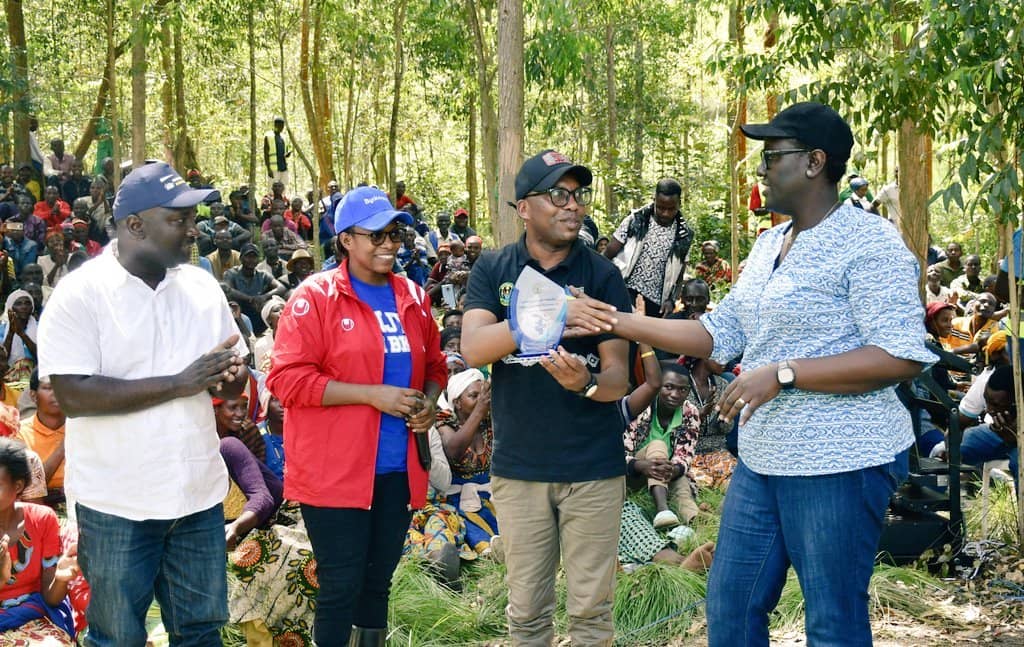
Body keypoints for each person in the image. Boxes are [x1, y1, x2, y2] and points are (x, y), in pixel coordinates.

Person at [572, 103, 934, 646]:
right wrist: (620, 318)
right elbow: (717, 333)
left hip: (839, 461)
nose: (761, 170)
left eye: (772, 157)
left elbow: (900, 355)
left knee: (833, 622)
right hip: (764, 460)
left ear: (815, 163)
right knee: (731, 607)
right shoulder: (769, 245)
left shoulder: (872, 243)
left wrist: (785, 374)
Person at [38, 161, 248, 645]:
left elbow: (229, 377)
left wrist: (231, 380)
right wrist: (178, 382)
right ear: (135, 226)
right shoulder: (81, 295)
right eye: (178, 220)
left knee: (200, 632)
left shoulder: (199, 285)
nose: (194, 230)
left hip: (195, 494)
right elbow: (72, 394)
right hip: (117, 503)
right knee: (117, 637)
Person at [461, 149, 631, 646]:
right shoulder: (493, 269)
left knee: (591, 615)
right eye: (558, 194)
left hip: (593, 470)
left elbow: (618, 375)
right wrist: (551, 316)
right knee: (528, 614)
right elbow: (473, 348)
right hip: (520, 472)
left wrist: (589, 384)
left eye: (578, 195)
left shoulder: (602, 275)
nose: (572, 206)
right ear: (525, 208)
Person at [266, 185, 446, 645]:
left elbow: (435, 367)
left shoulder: (412, 295)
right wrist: (372, 395)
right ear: (346, 239)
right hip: (335, 473)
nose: (389, 245)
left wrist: (426, 401)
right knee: (340, 585)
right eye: (376, 236)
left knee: (376, 582)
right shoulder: (316, 298)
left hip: (398, 468)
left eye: (395, 236)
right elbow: (287, 380)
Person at [0, 438, 79, 643]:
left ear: (17, 486)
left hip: (34, 613)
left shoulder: (42, 519)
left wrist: (61, 578)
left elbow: (50, 598)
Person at [621, 349, 701, 530]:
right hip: (631, 475)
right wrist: (641, 466)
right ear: (658, 387)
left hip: (665, 472)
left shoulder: (690, 413)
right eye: (669, 387)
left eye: (682, 390)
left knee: (681, 481)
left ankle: (691, 524)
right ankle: (662, 510)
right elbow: (618, 453)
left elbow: (684, 455)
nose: (675, 394)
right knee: (657, 446)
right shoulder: (640, 404)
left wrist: (674, 469)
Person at [603, 178, 695, 316]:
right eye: (661, 207)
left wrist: (671, 300)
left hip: (657, 304)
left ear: (679, 204)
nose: (665, 213)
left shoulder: (683, 235)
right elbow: (609, 252)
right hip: (624, 291)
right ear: (654, 200)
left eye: (671, 209)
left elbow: (680, 274)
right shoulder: (636, 220)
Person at [435, 369, 499, 558]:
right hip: (459, 497)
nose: (481, 400)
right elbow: (454, 452)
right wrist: (480, 409)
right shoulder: (446, 424)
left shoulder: (491, 422)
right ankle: (486, 548)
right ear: (457, 403)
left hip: (491, 492)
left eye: (483, 395)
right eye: (473, 396)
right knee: (467, 523)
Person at [959, 364, 1019, 488]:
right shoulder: (987, 380)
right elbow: (960, 420)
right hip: (1003, 431)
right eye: (986, 401)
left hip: (1016, 438)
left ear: (1015, 401)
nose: (989, 410)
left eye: (996, 405)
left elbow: (1013, 439)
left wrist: (1011, 437)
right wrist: (949, 448)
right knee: (967, 440)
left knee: (1019, 462)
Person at [16, 370, 65, 503]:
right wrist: (63, 447)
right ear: (33, 396)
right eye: (48, 388)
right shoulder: (20, 433)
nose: (56, 393)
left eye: (61, 387)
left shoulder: (81, 428)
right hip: (39, 504)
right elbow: (31, 489)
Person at [222, 243, 287, 336]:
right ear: (241, 258)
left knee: (274, 302)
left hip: (257, 311)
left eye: (254, 257)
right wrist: (250, 299)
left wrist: (264, 297)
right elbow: (227, 290)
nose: (251, 260)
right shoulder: (231, 273)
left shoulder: (263, 274)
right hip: (239, 313)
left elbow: (281, 287)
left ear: (258, 259)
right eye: (248, 256)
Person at [0, 290, 37, 381]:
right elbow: (2, 359)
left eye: (27, 303)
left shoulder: (41, 327)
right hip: (8, 374)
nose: (24, 307)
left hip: (36, 374)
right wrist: (11, 332)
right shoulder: (2, 329)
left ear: (32, 307)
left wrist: (22, 334)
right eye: (19, 304)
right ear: (11, 308)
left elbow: (41, 356)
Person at [263, 117, 290, 188]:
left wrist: (287, 154)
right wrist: (268, 169)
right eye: (280, 126)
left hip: (283, 168)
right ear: (276, 125)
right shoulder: (268, 136)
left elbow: (285, 151)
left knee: (283, 189)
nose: (282, 128)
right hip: (273, 169)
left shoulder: (284, 137)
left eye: (283, 126)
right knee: (272, 189)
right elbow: (266, 154)